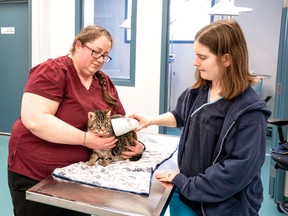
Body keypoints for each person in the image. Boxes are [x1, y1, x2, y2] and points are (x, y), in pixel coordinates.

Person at [129, 19, 271, 216]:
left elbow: (235, 171)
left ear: (227, 59)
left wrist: (185, 183)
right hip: (189, 194)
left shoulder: (250, 112)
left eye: (202, 57)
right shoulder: (200, 90)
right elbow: (180, 115)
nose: (195, 62)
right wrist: (150, 120)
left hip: (221, 207)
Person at [7, 25, 145, 216]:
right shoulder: (52, 72)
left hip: (79, 179)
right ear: (78, 45)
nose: (100, 60)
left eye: (105, 55)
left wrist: (137, 146)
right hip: (37, 175)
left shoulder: (102, 81)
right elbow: (35, 119)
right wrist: (85, 139)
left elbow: (119, 120)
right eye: (96, 52)